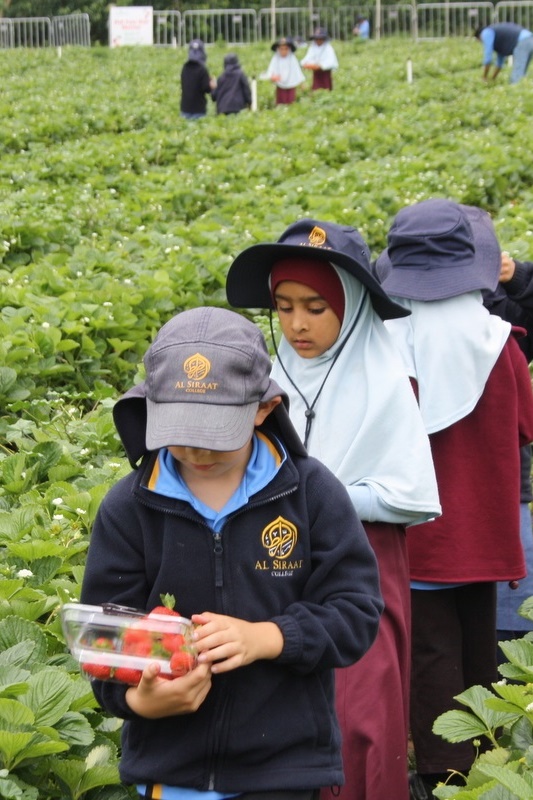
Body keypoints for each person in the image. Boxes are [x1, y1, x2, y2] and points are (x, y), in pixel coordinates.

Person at [80, 305, 384, 799]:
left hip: (283, 770)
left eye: (215, 436)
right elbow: (102, 635)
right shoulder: (129, 507)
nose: (198, 452)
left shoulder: (310, 494)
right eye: (181, 434)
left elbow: (356, 612)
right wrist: (140, 701)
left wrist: (268, 637)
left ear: (263, 408)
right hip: (169, 769)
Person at [226, 219, 442, 800]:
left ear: (349, 308)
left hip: (361, 566)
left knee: (361, 714)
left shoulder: (385, 381)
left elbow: (408, 496)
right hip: (277, 561)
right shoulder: (267, 381)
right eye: (284, 305)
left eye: (317, 307)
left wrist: (318, 494)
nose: (297, 324)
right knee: (290, 707)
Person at [375, 198, 533, 799]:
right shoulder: (500, 343)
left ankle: (445, 778)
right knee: (480, 657)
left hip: (418, 541)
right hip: (485, 534)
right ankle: (492, 763)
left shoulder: (387, 349)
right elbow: (523, 429)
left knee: (431, 662)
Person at [483, 252, 533, 650]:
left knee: (514, 627)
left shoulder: (507, 310)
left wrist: (519, 277)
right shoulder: (401, 309)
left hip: (505, 486)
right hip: (424, 495)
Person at [180, 39, 216, 119]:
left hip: (185, 108)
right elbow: (206, 88)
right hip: (198, 109)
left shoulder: (185, 68)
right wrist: (212, 85)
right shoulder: (202, 69)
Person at [265, 36, 306, 105]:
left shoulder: (292, 59)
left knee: (291, 103)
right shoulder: (275, 59)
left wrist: (301, 84)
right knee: (280, 103)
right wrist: (273, 77)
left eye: (286, 49)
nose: (283, 51)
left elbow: (297, 71)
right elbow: (270, 71)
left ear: (289, 49)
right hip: (280, 85)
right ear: (278, 49)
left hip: (291, 85)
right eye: (281, 49)